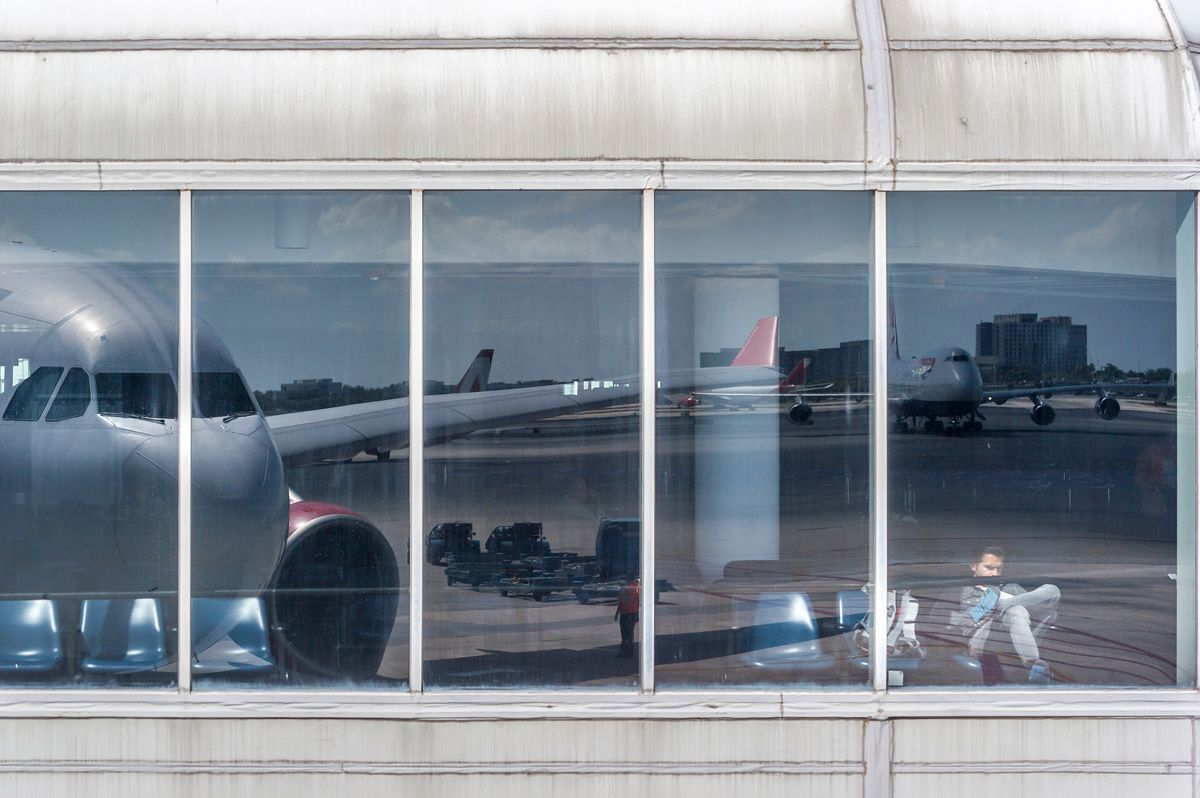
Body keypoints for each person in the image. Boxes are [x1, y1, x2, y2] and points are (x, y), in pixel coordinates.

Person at [947, 544, 1060, 684]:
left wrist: (1007, 602)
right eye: (989, 568)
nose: (994, 573)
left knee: (1025, 604)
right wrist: (981, 613)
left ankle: (1034, 666)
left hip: (1012, 638)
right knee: (1011, 607)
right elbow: (940, 622)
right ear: (974, 566)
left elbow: (1051, 595)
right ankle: (995, 605)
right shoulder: (959, 588)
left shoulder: (1009, 587)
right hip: (976, 638)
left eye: (998, 568)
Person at [615, 577, 640, 657]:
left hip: (629, 613)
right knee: (626, 634)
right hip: (627, 612)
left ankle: (627, 651)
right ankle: (627, 650)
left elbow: (627, 599)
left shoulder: (632, 586)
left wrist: (621, 598)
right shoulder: (631, 585)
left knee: (627, 634)